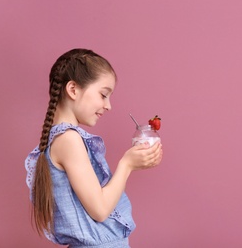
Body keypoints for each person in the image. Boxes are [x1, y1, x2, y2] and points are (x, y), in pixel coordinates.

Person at [25, 48, 163, 248]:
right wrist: (127, 165)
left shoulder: (63, 139)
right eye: (103, 94)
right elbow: (99, 210)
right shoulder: (69, 140)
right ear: (73, 90)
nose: (108, 105)